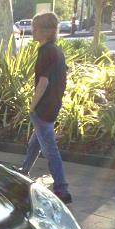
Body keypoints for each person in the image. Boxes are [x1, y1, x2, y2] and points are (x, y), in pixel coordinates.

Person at [16, 12, 72, 204]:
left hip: (44, 108)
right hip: (52, 105)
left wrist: (33, 105)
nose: (33, 31)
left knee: (49, 148)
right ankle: (24, 170)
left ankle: (62, 189)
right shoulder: (56, 50)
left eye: (35, 28)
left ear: (46, 31)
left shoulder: (46, 50)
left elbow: (44, 81)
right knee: (36, 142)